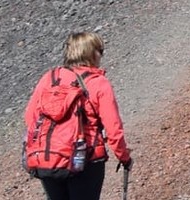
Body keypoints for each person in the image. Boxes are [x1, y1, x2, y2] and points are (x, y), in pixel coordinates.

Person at [27, 32, 132, 200]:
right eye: (100, 50)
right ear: (91, 53)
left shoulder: (49, 78)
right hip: (86, 159)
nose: (101, 55)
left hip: (49, 157)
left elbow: (30, 118)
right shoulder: (98, 82)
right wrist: (124, 157)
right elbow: (113, 130)